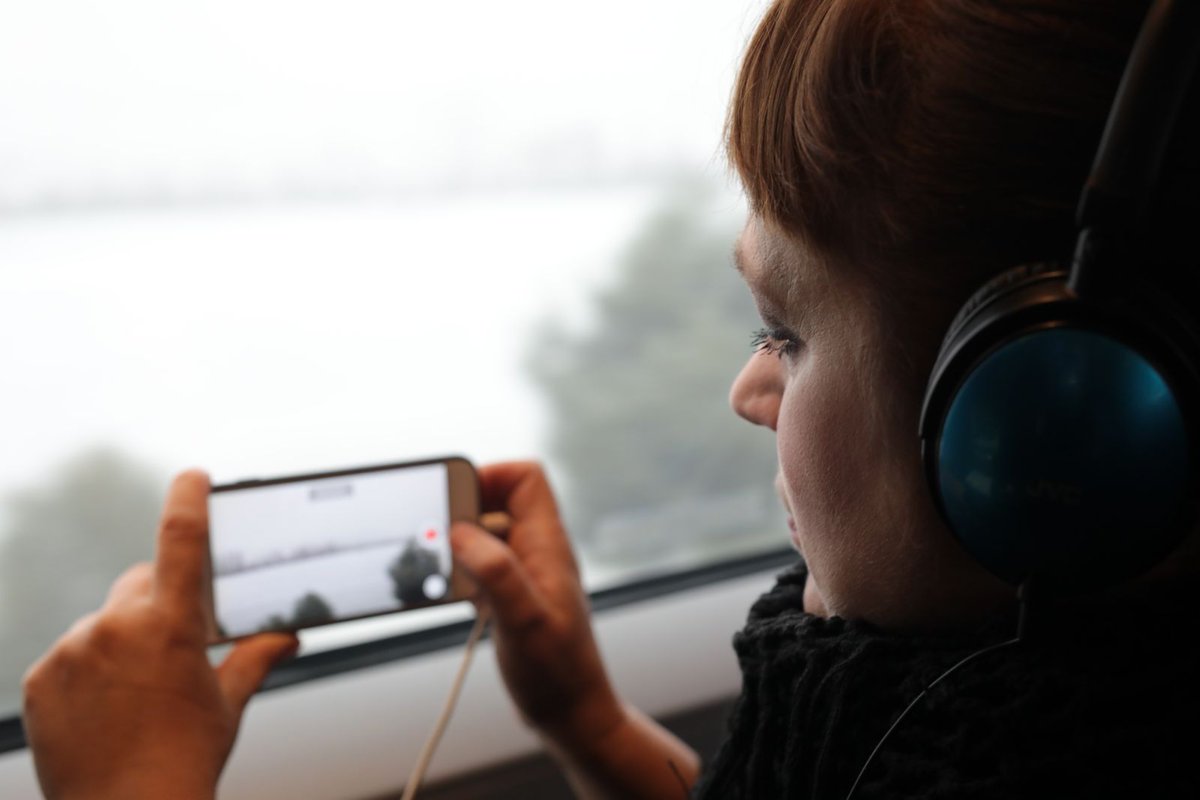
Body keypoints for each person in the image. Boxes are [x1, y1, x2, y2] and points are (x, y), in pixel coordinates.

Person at [21, 0, 1200, 797]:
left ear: (1058, 416)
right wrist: (587, 717)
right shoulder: (960, 706)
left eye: (784, 332)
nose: (749, 386)